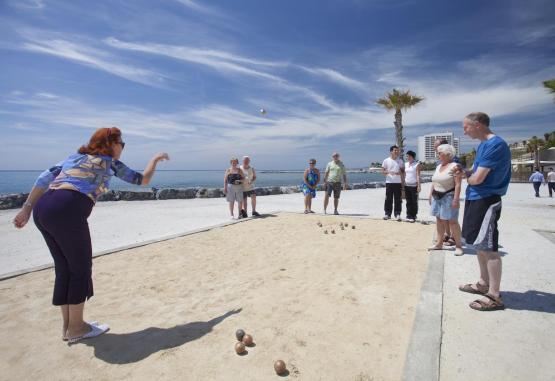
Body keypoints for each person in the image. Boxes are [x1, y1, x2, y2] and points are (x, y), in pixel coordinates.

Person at [12, 127, 169, 343]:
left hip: (44, 208)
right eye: (121, 143)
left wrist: (27, 208)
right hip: (68, 209)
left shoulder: (75, 157)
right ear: (110, 144)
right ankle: (77, 327)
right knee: (80, 268)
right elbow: (142, 179)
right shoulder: (109, 162)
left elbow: (44, 178)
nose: (122, 147)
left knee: (65, 267)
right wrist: (155, 159)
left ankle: (68, 327)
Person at [457, 112, 511, 311]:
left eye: (466, 127)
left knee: (489, 248)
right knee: (479, 244)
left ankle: (495, 296)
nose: (464, 131)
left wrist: (468, 179)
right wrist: (466, 173)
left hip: (486, 199)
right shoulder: (483, 146)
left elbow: (478, 179)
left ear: (478, 124)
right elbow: (475, 172)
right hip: (476, 198)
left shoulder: (495, 144)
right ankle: (483, 283)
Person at [427, 144, 464, 256]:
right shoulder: (439, 166)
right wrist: (430, 194)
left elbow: (458, 184)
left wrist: (456, 200)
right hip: (436, 197)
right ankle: (439, 244)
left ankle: (458, 246)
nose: (437, 155)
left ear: (448, 154)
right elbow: (435, 181)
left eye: (440, 153)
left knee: (452, 221)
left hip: (448, 196)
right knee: (439, 220)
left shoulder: (455, 166)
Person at [382, 145, 405, 221]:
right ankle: (387, 214)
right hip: (389, 182)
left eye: (397, 150)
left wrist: (400, 173)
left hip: (398, 183)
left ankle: (397, 214)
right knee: (388, 198)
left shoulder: (400, 161)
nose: (397, 152)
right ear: (391, 151)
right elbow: (383, 171)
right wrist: (388, 172)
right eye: (395, 150)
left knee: (398, 199)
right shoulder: (386, 160)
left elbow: (403, 172)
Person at [404, 150, 421, 222]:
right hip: (406, 185)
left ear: (412, 156)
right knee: (408, 201)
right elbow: (405, 174)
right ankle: (408, 215)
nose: (407, 157)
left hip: (414, 186)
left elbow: (418, 175)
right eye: (406, 156)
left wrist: (419, 185)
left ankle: (414, 216)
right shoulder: (405, 164)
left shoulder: (417, 164)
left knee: (414, 201)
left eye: (408, 156)